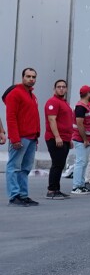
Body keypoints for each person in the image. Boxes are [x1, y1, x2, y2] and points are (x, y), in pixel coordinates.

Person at [3, 68, 40, 207]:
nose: (31, 79)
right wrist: (15, 138)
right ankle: (14, 196)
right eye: (28, 76)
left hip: (31, 137)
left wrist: (36, 135)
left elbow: (34, 117)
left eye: (33, 77)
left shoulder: (32, 95)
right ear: (22, 77)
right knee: (13, 166)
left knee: (25, 168)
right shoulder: (15, 93)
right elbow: (11, 117)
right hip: (20, 137)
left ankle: (23, 195)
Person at [44, 80, 74, 200]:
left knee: (60, 165)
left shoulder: (64, 102)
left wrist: (69, 139)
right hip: (55, 138)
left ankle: (57, 189)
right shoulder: (53, 102)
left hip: (65, 139)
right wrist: (57, 136)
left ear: (66, 89)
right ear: (54, 89)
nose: (61, 89)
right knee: (57, 164)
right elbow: (52, 120)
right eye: (58, 87)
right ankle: (51, 190)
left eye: (63, 87)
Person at [71, 86, 90, 195]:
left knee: (84, 162)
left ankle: (81, 185)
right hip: (81, 139)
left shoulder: (86, 106)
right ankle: (76, 186)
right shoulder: (80, 107)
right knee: (80, 162)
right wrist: (85, 139)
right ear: (88, 93)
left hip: (86, 139)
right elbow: (79, 123)